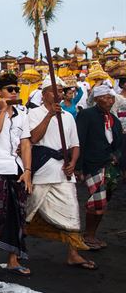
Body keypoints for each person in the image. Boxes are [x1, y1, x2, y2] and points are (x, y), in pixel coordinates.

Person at [26, 76, 96, 270]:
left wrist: (73, 163)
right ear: (44, 94)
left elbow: (75, 144)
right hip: (41, 170)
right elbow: (33, 138)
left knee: (72, 210)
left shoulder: (67, 116)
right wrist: (49, 116)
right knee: (28, 210)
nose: (58, 94)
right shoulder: (34, 113)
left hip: (63, 172)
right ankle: (15, 251)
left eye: (60, 91)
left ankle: (73, 254)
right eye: (53, 90)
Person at [0, 73, 32, 276]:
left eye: (16, 89)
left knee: (17, 215)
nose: (14, 93)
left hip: (16, 168)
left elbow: (26, 143)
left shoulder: (22, 113)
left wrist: (28, 171)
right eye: (10, 89)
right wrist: (3, 111)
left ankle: (13, 259)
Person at [76, 84, 123, 249]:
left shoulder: (114, 120)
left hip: (110, 166)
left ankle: (91, 235)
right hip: (93, 164)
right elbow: (79, 141)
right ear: (96, 99)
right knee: (97, 203)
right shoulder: (86, 115)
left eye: (111, 97)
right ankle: (88, 236)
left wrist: (117, 158)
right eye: (105, 97)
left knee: (102, 202)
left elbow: (119, 144)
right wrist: (78, 167)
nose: (109, 100)